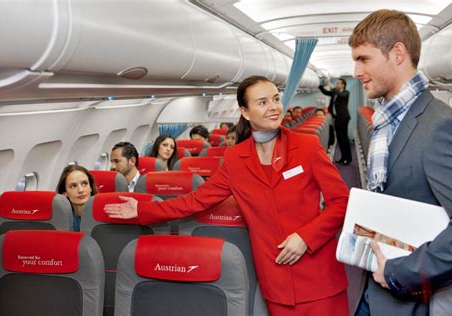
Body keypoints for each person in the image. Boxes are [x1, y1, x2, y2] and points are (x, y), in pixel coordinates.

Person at [105, 75, 350, 315]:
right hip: (276, 276)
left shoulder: (306, 146)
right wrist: (143, 209)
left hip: (319, 274)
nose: (274, 107)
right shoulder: (235, 160)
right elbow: (196, 201)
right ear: (245, 112)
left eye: (275, 99)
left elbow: (341, 202)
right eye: (262, 102)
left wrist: (306, 237)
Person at [349, 9, 452, 316]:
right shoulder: (387, 122)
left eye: (364, 59)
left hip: (410, 296)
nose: (356, 71)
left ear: (398, 53)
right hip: (374, 289)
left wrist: (399, 272)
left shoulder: (440, 126)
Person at [319, 78, 352, 164]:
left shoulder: (346, 92)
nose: (337, 85)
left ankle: (348, 159)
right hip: (337, 118)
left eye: (338, 83)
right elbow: (326, 92)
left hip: (343, 118)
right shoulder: (335, 93)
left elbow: (341, 95)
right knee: (340, 138)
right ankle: (343, 157)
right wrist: (320, 86)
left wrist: (333, 88)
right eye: (336, 83)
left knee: (344, 138)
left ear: (343, 85)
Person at [56, 165, 97, 231]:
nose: (81, 190)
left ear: (90, 188)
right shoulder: (61, 220)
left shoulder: (102, 215)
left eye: (84, 183)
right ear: (65, 193)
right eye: (73, 186)